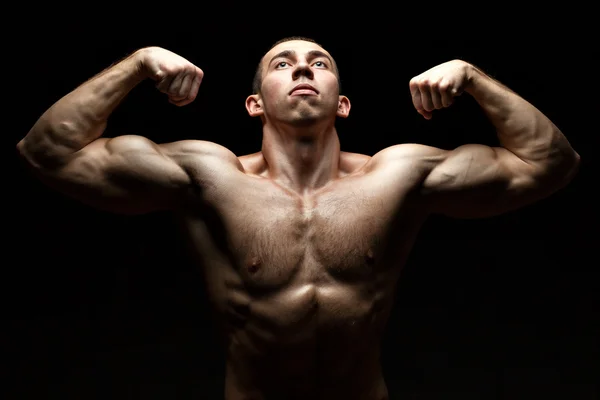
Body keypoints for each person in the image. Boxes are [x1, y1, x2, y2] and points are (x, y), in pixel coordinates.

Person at [17, 36, 580, 399]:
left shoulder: (395, 176)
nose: (302, 69)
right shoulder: (209, 177)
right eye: (281, 64)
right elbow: (49, 151)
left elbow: (550, 163)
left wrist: (473, 75)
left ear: (342, 104)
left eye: (320, 63)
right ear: (255, 103)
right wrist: (138, 64)